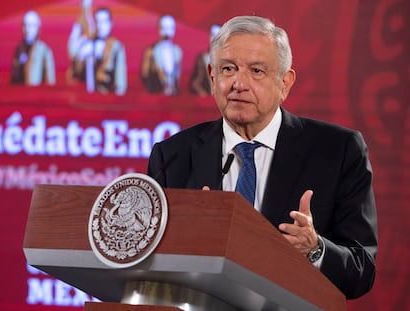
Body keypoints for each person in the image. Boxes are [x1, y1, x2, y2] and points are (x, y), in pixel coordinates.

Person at [147, 15, 378, 299]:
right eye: (228, 69)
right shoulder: (172, 156)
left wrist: (314, 248)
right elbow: (150, 261)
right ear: (211, 76)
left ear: (285, 82)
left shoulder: (339, 151)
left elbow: (362, 271)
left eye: (256, 71)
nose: (238, 83)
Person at [67, 0, 127, 95]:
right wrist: (79, 24)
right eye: (97, 22)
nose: (100, 25)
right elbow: (72, 52)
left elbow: (120, 83)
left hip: (107, 99)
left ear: (111, 23)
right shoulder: (87, 43)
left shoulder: (116, 47)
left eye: (104, 22)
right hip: (84, 98)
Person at [141, 15, 183, 95]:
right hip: (155, 93)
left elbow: (178, 75)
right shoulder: (150, 51)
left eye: (170, 28)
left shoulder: (177, 51)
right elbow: (144, 74)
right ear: (158, 28)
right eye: (164, 28)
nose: (167, 32)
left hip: (174, 95)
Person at [11, 10, 56, 86]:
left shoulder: (44, 51)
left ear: (38, 28)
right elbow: (13, 77)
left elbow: (50, 81)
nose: (28, 29)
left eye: (31, 25)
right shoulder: (19, 49)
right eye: (25, 25)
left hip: (37, 94)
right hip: (20, 93)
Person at [189, 24, 221, 96]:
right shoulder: (202, 58)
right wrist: (202, 93)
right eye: (213, 35)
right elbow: (193, 83)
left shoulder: (228, 60)